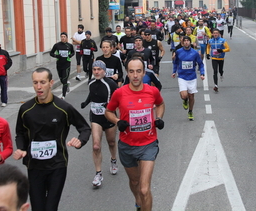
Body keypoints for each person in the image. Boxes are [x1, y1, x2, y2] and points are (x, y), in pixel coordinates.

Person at [13, 67, 91, 211]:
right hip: (34, 166)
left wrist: (80, 140)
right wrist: (21, 148)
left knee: (50, 208)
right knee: (37, 207)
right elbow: (20, 133)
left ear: (51, 83)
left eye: (42, 82)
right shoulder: (26, 109)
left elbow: (85, 128)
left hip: (57, 165)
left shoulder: (63, 108)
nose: (39, 86)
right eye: (35, 82)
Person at [105, 57, 165, 211]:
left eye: (139, 71)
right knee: (135, 183)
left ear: (144, 72)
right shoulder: (119, 93)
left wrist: (159, 118)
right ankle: (137, 200)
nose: (135, 75)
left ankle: (143, 199)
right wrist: (118, 121)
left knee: (145, 189)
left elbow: (160, 104)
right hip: (127, 146)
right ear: (127, 73)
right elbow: (108, 112)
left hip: (148, 144)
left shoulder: (152, 91)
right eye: (132, 72)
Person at [80, 61, 118, 187]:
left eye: (99, 69)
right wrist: (85, 103)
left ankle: (113, 160)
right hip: (95, 117)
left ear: (104, 71)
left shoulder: (110, 84)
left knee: (111, 142)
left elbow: (118, 98)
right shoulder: (90, 82)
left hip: (109, 116)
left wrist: (111, 106)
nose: (96, 72)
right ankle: (98, 173)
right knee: (96, 145)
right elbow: (91, 94)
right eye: (94, 69)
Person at [172, 36, 205, 121]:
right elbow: (175, 63)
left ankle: (190, 111)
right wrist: (174, 71)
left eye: (188, 41)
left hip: (192, 77)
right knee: (184, 95)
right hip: (182, 76)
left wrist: (202, 73)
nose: (186, 42)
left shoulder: (194, 53)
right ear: (183, 43)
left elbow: (201, 64)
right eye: (185, 41)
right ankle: (184, 100)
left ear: (190, 42)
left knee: (191, 96)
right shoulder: (178, 52)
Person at [50, 32, 75, 100]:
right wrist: (56, 56)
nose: (63, 38)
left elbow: (73, 52)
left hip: (67, 64)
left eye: (64, 37)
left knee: (64, 80)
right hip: (59, 64)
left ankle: (63, 96)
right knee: (61, 79)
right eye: (62, 37)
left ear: (66, 38)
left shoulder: (69, 45)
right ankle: (67, 84)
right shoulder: (57, 45)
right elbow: (51, 53)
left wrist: (70, 55)